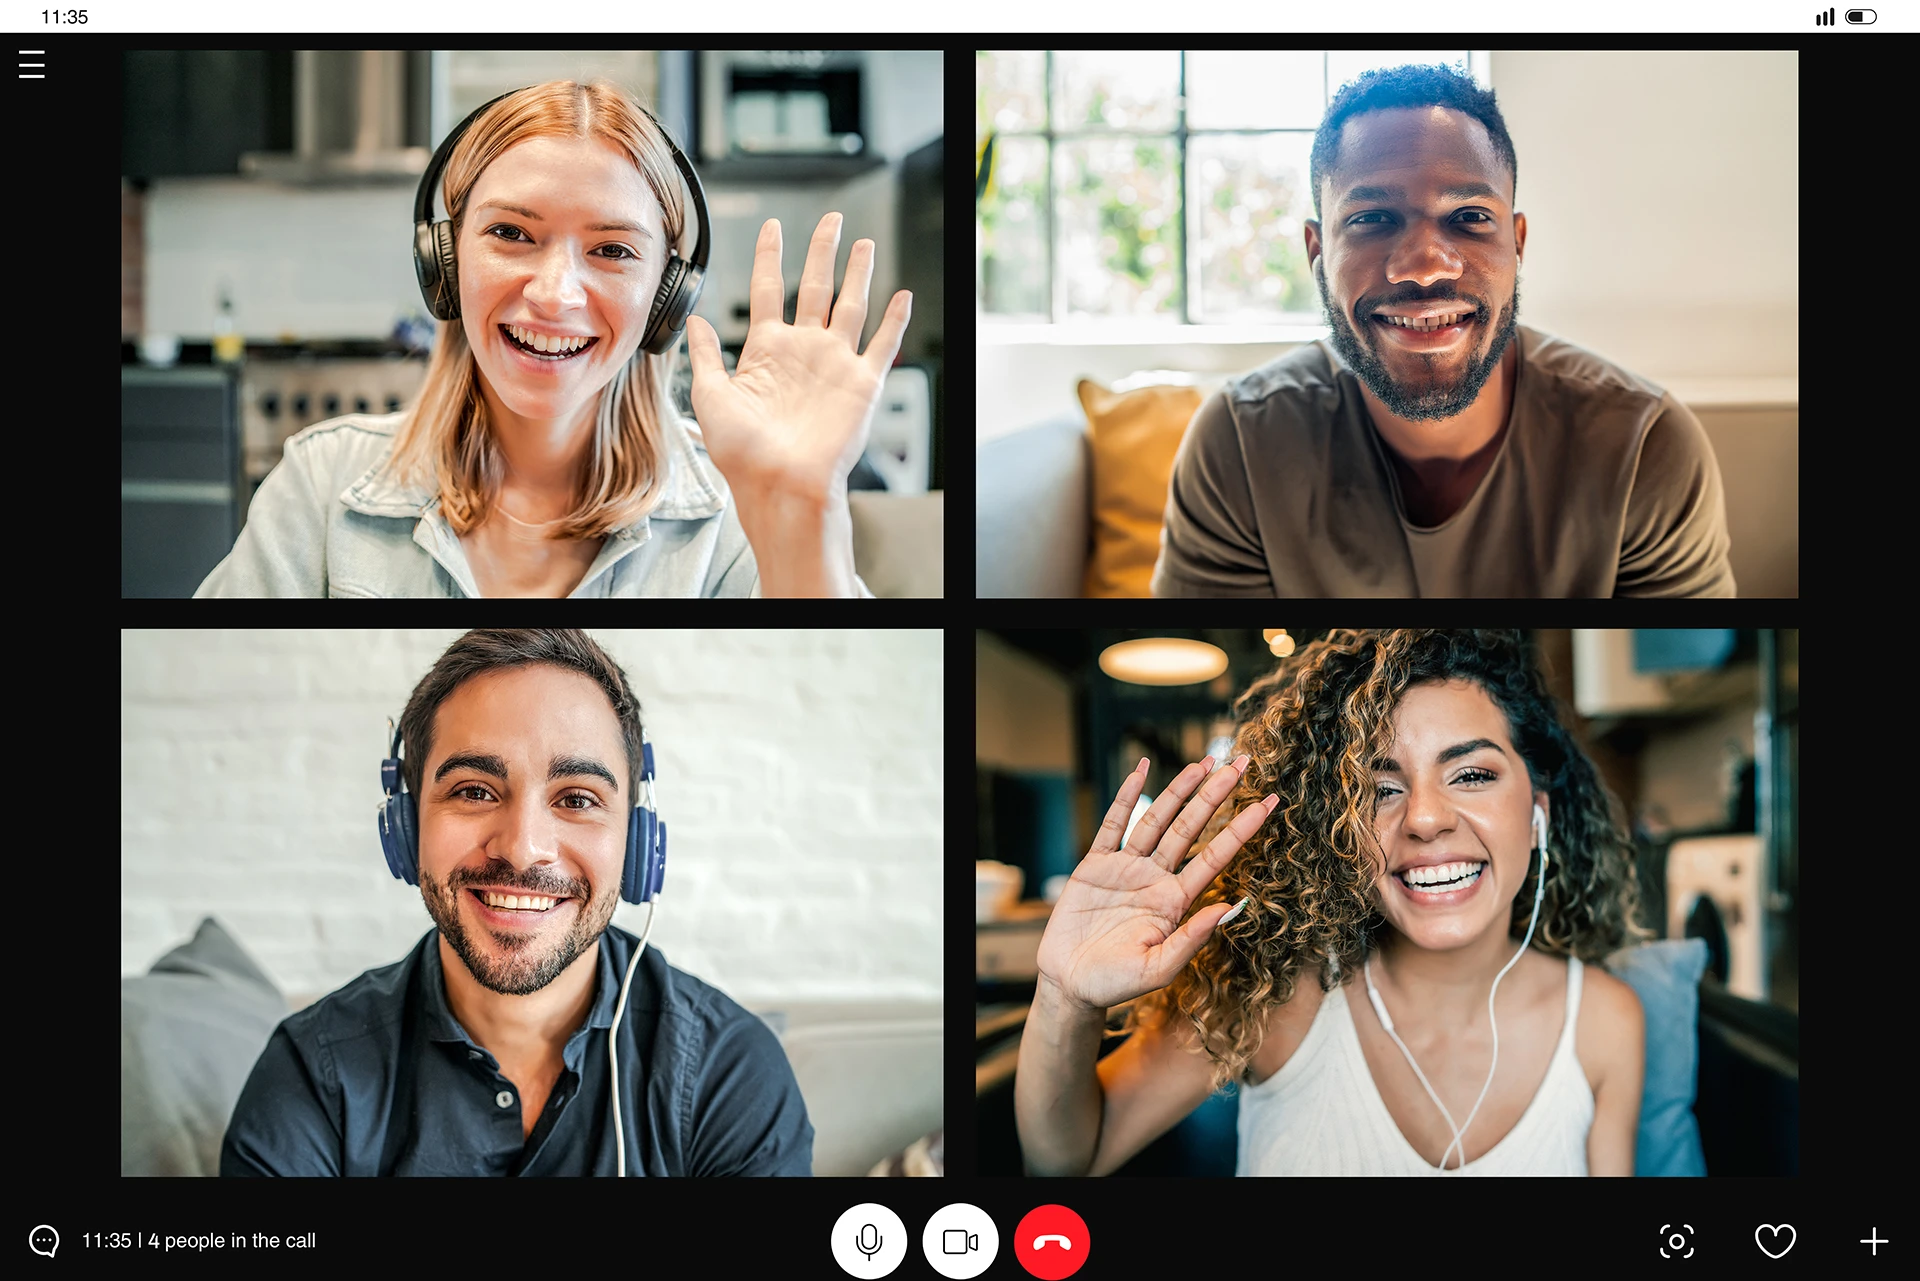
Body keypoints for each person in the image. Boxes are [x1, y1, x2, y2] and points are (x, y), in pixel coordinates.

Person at [196, 80, 911, 597]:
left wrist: (801, 507)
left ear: (668, 295)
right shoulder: (320, 489)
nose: (555, 293)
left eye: (613, 250)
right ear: (444, 261)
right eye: (510, 233)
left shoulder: (732, 511)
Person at [1016, 629, 1647, 1176]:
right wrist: (1065, 997)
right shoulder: (1279, 996)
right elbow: (1068, 1159)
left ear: (1537, 812)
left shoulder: (1604, 1021)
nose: (1425, 817)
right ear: (1337, 830)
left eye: (1472, 774)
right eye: (1378, 788)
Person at [221, 628, 813, 1175]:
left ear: (638, 841)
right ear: (406, 828)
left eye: (577, 799)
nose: (524, 850)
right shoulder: (310, 1076)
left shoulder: (728, 1073)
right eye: (474, 791)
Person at [1151, 64, 1734, 597]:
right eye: (1372, 219)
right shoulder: (1238, 446)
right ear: (1317, 251)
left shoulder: (1645, 447)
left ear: (1517, 243)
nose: (1425, 264)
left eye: (1470, 218)